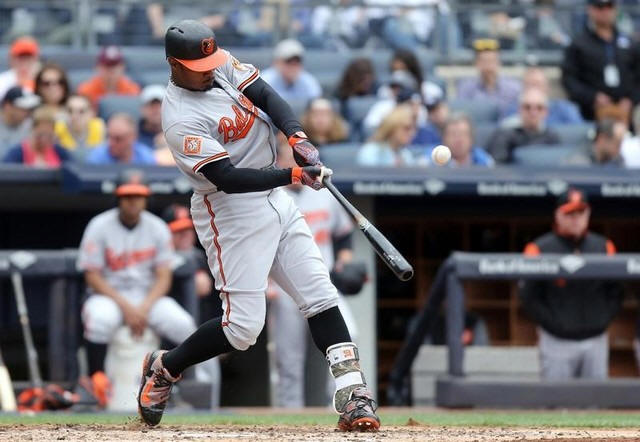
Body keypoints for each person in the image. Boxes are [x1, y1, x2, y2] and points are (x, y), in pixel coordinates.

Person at [136, 20, 379, 431]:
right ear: (175, 65)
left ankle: (354, 396)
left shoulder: (217, 63)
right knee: (243, 329)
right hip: (230, 212)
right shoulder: (180, 119)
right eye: (198, 66)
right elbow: (227, 177)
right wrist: (293, 175)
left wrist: (297, 136)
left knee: (321, 295)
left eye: (210, 61)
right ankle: (165, 367)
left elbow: (265, 94)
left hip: (274, 198)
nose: (209, 70)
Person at [77, 170, 200, 408]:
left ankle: (177, 387)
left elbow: (164, 277)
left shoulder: (157, 228)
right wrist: (127, 308)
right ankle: (95, 384)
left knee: (183, 324)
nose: (133, 201)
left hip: (148, 297)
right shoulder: (99, 225)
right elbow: (92, 276)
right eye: (127, 196)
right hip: (109, 295)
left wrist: (143, 308)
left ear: (146, 198)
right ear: (118, 198)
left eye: (138, 196)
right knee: (100, 319)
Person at [269, 142, 365, 408]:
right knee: (289, 359)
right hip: (285, 288)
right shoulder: (271, 196)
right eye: (289, 160)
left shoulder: (324, 194)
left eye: (299, 160)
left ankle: (341, 405)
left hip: (324, 283)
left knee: (348, 339)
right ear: (277, 163)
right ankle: (289, 414)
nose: (296, 165)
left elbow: (343, 236)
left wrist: (344, 262)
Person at [520, 188, 623, 380]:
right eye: (569, 213)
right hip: (557, 342)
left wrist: (601, 320)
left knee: (596, 398)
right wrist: (554, 325)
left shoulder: (604, 246)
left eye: (580, 212)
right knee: (557, 398)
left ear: (588, 214)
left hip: (595, 340)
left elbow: (616, 291)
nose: (576, 219)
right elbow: (529, 296)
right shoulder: (538, 248)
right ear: (557, 215)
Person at [561, 0, 640, 122]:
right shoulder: (578, 44)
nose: (605, 11)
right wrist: (593, 97)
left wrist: (630, 100)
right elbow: (569, 80)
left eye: (609, 6)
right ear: (590, 9)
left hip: (626, 114)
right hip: (589, 116)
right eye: (600, 7)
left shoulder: (629, 43)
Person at [486, 88, 561, 163]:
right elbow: (497, 165)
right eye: (527, 107)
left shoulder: (552, 137)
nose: (533, 112)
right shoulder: (504, 135)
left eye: (539, 108)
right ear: (519, 110)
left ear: (546, 112)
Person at [457, 38, 521, 119]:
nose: (488, 66)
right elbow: (462, 115)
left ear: (498, 62)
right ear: (476, 63)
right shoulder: (466, 89)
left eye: (491, 61)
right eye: (484, 61)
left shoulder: (513, 89)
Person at [504, 67, 583, 127]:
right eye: (529, 85)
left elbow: (578, 133)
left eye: (537, 84)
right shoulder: (512, 110)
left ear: (547, 87)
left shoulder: (566, 109)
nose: (534, 88)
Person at [3, 105, 71, 168]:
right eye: (41, 134)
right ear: (33, 129)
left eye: (49, 135)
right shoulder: (17, 152)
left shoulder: (59, 152)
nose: (44, 139)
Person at [260, 39, 322, 104]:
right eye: (288, 61)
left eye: (297, 62)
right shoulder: (264, 81)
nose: (293, 66)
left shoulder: (308, 81)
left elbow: (317, 104)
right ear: (276, 62)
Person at [77, 46, 141, 108]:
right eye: (106, 66)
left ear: (122, 67)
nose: (111, 70)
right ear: (97, 67)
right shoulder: (86, 91)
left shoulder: (131, 90)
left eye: (114, 66)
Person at [427, 113, 494, 167]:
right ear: (443, 138)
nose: (458, 140)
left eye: (463, 134)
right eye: (453, 134)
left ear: (471, 138)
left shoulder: (484, 161)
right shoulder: (431, 159)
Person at [85, 113, 155, 165]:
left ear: (133, 137)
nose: (111, 143)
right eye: (109, 137)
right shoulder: (97, 157)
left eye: (118, 139)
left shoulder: (145, 157)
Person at [0, 86, 40, 155]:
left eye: (30, 109)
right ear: (8, 106)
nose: (27, 112)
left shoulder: (32, 127)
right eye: (23, 108)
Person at [138, 85, 165, 149]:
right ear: (142, 109)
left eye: (160, 105)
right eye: (151, 105)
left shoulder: (177, 133)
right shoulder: (133, 133)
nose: (156, 110)